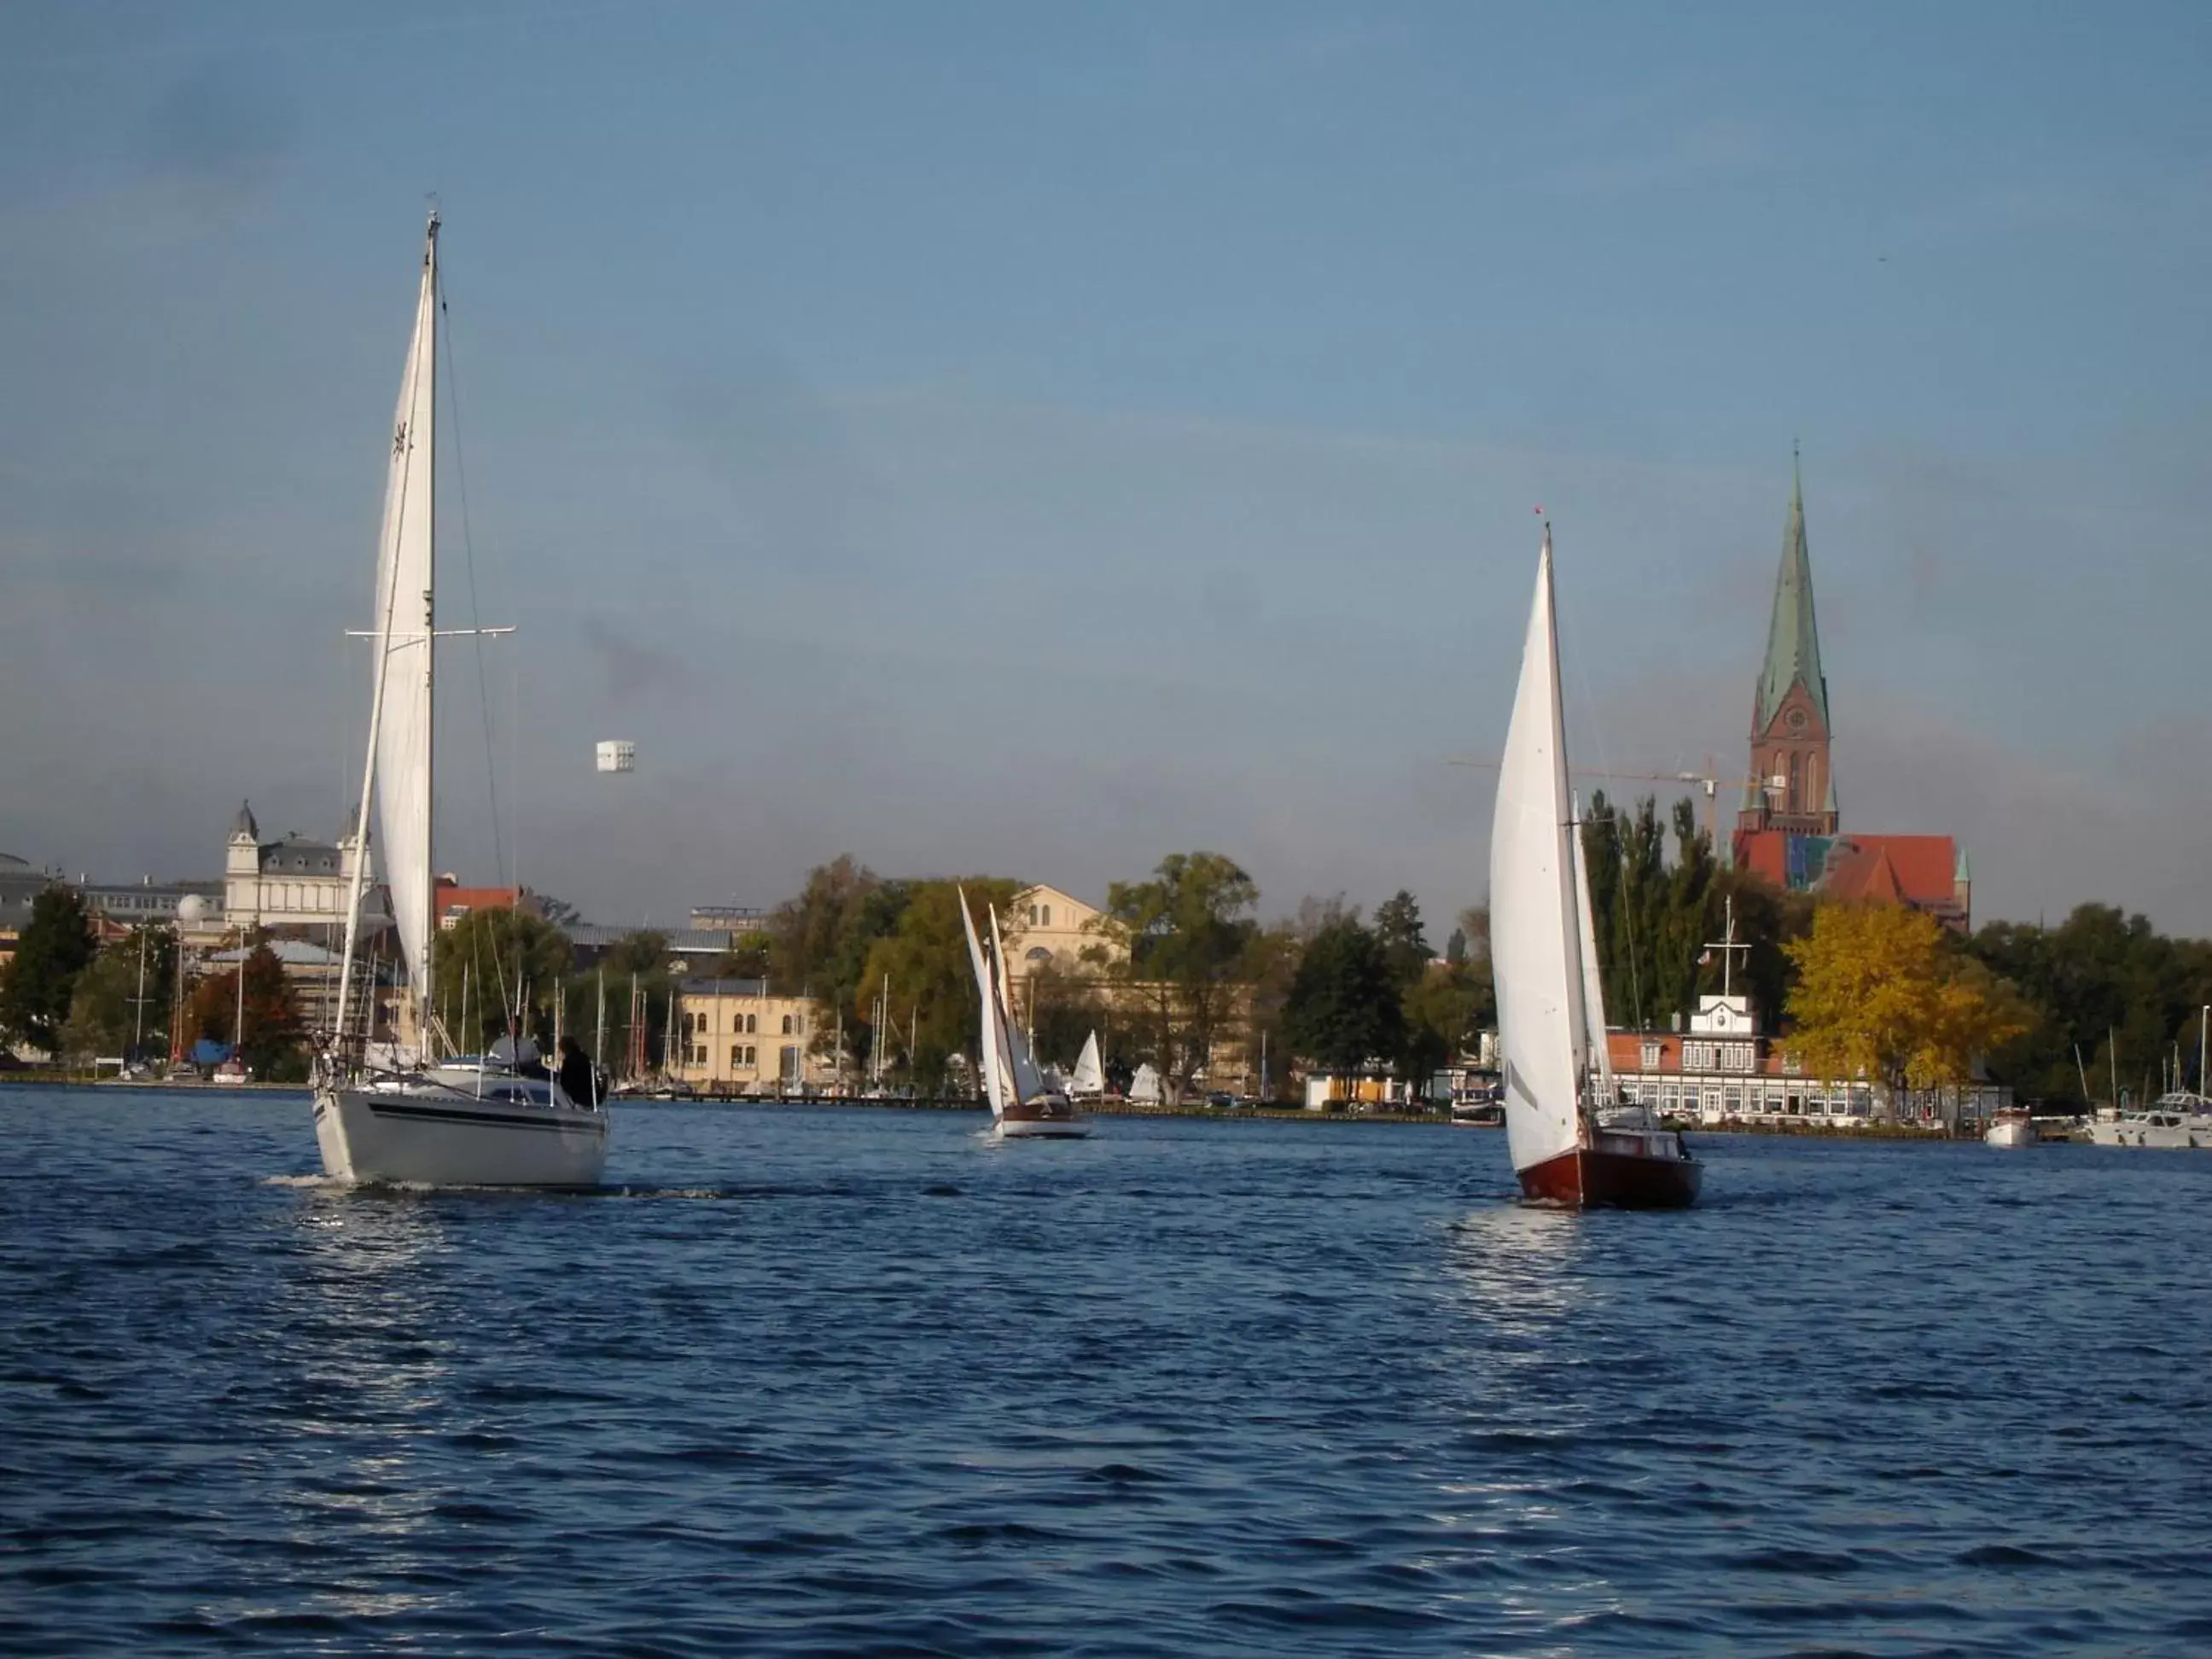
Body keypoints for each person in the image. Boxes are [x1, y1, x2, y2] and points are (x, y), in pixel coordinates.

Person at [556, 1034, 599, 1108]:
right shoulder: (584, 1057)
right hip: (592, 1096)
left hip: (578, 1098)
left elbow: (565, 1083)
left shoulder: (569, 1061)